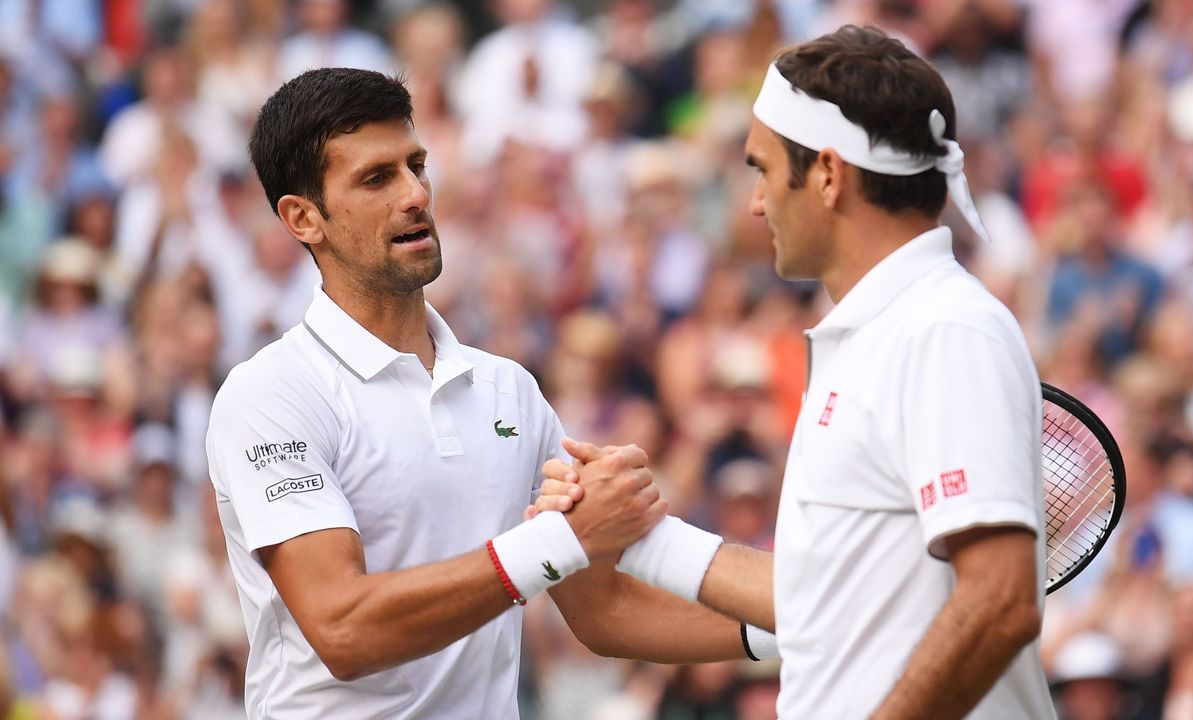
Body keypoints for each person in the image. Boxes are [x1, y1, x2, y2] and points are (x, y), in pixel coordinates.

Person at [538, 26, 1056, 719]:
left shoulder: (943, 328)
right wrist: (634, 532)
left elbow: (1000, 603)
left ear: (829, 176)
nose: (754, 203)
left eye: (762, 168)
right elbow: (818, 600)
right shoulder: (883, 330)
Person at [204, 68, 752, 719]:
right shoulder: (270, 393)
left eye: (416, 165)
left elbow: (606, 609)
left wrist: (806, 630)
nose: (414, 195)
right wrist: (559, 541)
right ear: (303, 218)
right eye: (377, 178)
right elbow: (343, 628)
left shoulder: (509, 389)